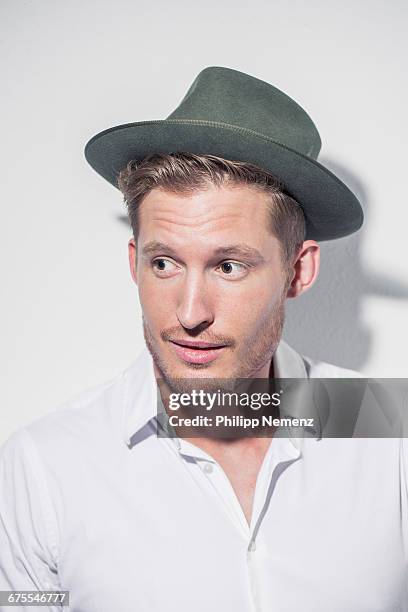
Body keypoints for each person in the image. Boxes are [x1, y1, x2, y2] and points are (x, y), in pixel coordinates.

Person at [1, 67, 407, 612]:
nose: (190, 314)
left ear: (298, 272)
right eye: (164, 262)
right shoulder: (42, 469)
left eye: (230, 266)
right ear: (134, 262)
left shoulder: (391, 437)